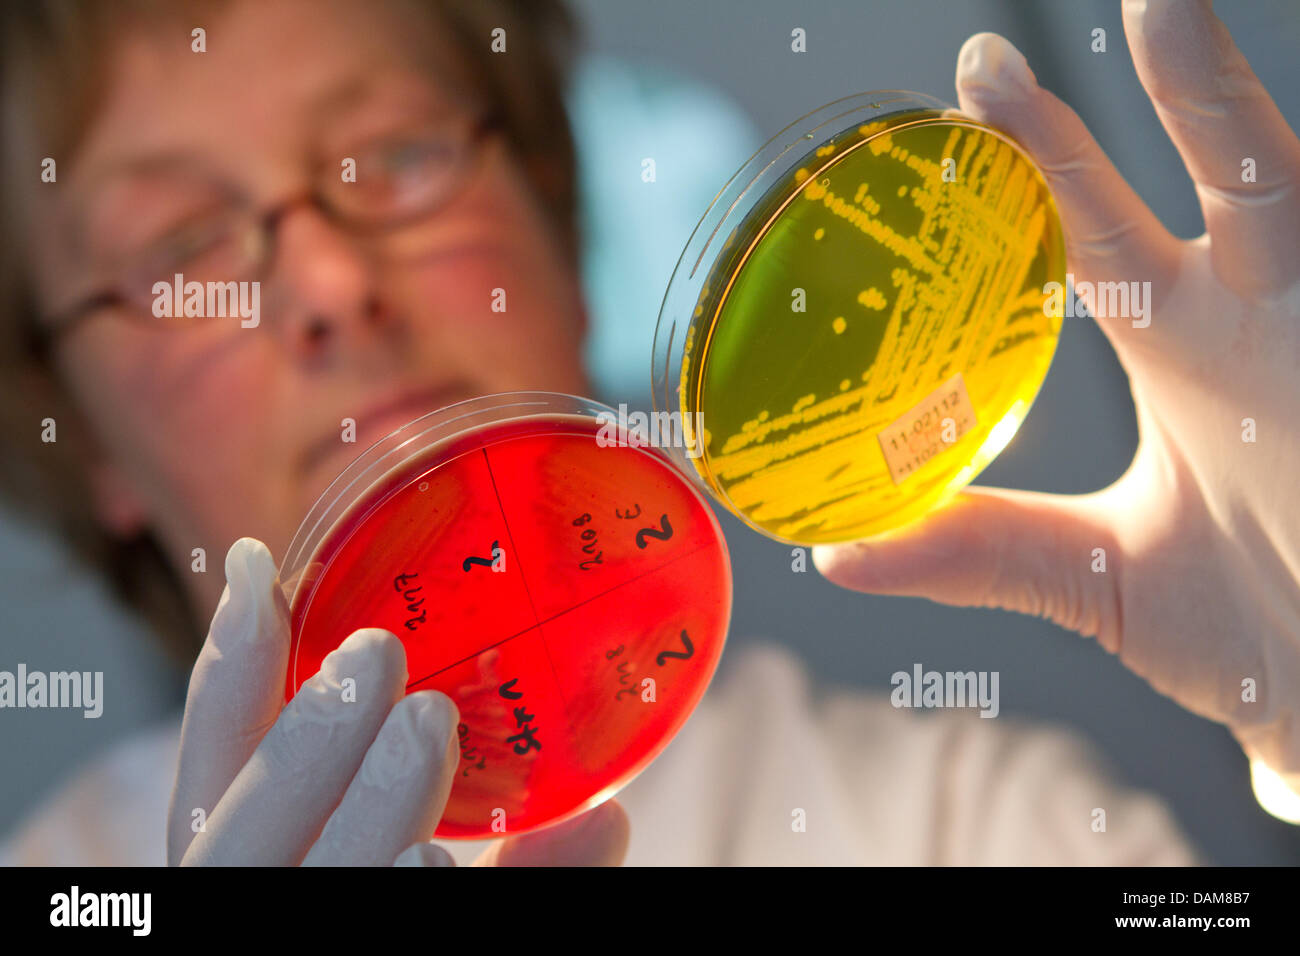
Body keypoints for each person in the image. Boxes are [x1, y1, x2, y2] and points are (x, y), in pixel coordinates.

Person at [0, 0, 1294, 865]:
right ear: (86, 441)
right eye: (175, 256)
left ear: (563, 247)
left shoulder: (981, 825)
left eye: (391, 158)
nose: (333, 284)